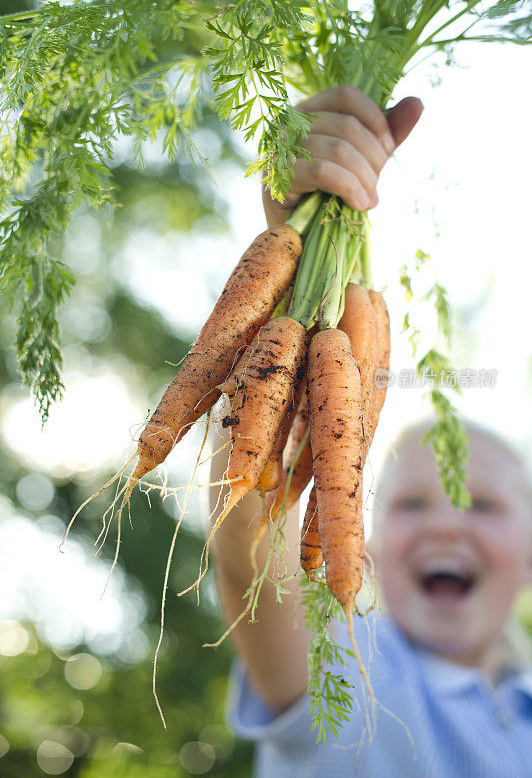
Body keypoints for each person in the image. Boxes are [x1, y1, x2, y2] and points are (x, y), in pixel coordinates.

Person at [208, 86, 532, 777]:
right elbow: (250, 546)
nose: (447, 525)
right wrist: (292, 261)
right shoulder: (350, 677)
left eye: (482, 504)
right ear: (373, 542)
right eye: (413, 502)